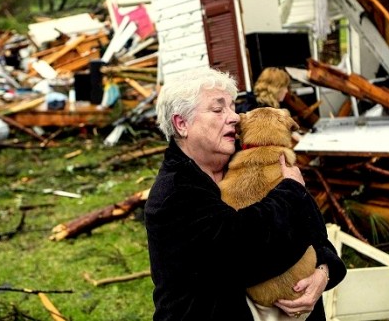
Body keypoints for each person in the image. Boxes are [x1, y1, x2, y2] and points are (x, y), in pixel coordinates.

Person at [145, 66, 346, 321]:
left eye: (232, 106)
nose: (236, 117)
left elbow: (314, 228)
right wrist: (291, 191)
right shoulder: (173, 195)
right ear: (181, 124)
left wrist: (323, 271)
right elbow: (245, 250)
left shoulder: (249, 161)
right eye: (219, 109)